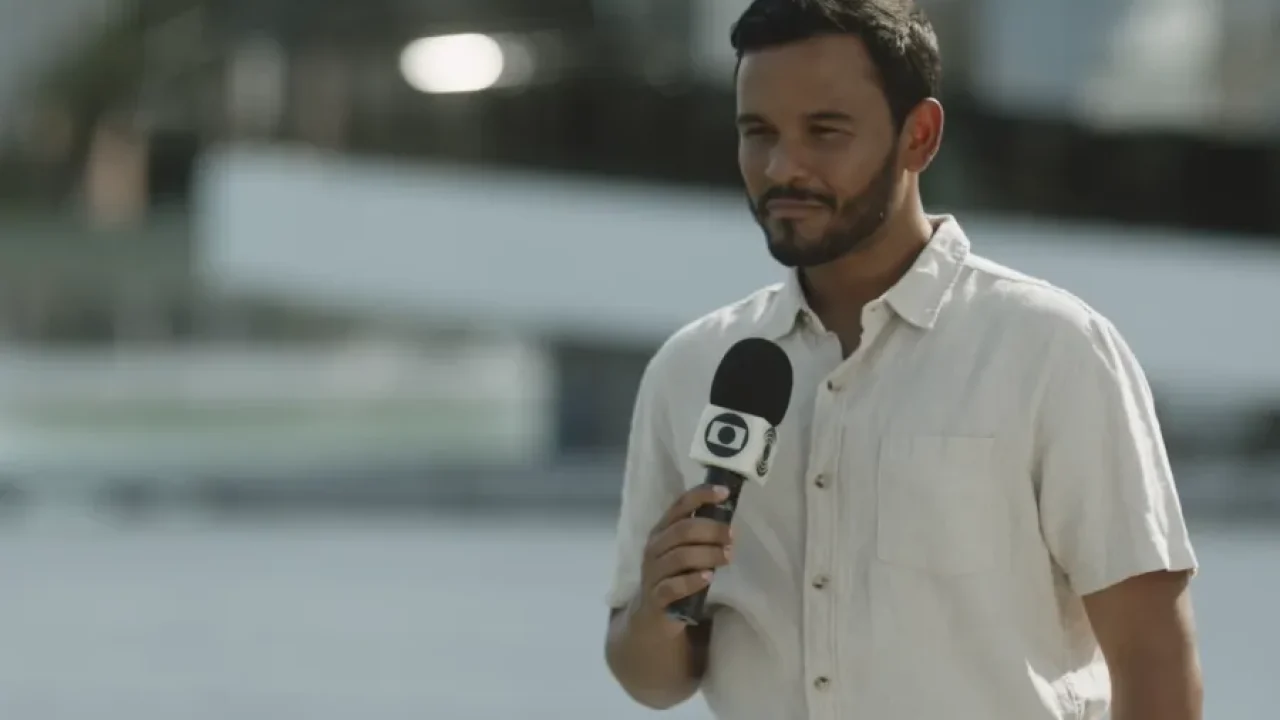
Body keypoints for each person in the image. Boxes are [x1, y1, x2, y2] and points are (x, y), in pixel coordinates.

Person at [602, 0, 1203, 718]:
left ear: (918, 135)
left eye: (825, 132)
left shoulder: (1051, 350)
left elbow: (1155, 661)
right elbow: (650, 680)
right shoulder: (692, 367)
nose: (782, 166)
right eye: (757, 133)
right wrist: (660, 603)